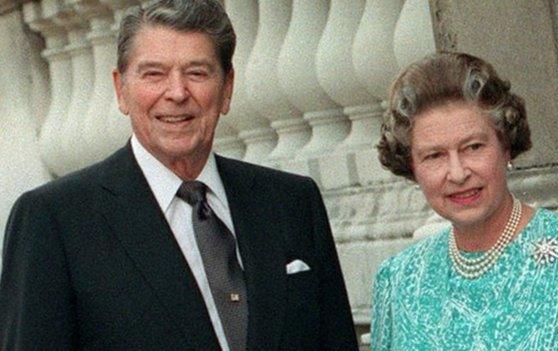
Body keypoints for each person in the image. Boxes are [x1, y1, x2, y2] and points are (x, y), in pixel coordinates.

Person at [0, 1, 358, 350]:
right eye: (154, 74)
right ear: (121, 89)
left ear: (227, 88)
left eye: (197, 73)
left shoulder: (291, 202)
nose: (176, 93)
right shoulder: (55, 219)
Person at [371, 52, 558, 350]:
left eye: (473, 147)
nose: (457, 172)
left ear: (506, 146)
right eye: (434, 156)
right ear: (412, 167)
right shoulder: (398, 279)